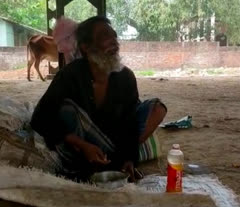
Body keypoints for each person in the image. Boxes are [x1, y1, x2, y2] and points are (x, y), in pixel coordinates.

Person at [30, 16, 167, 182]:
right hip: (82, 142)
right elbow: (39, 118)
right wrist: (82, 145)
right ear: (85, 47)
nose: (114, 41)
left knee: (157, 108)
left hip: (111, 139)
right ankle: (99, 163)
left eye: (114, 36)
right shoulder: (70, 75)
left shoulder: (126, 77)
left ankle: (113, 161)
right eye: (104, 36)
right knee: (67, 110)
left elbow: (130, 124)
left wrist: (129, 159)